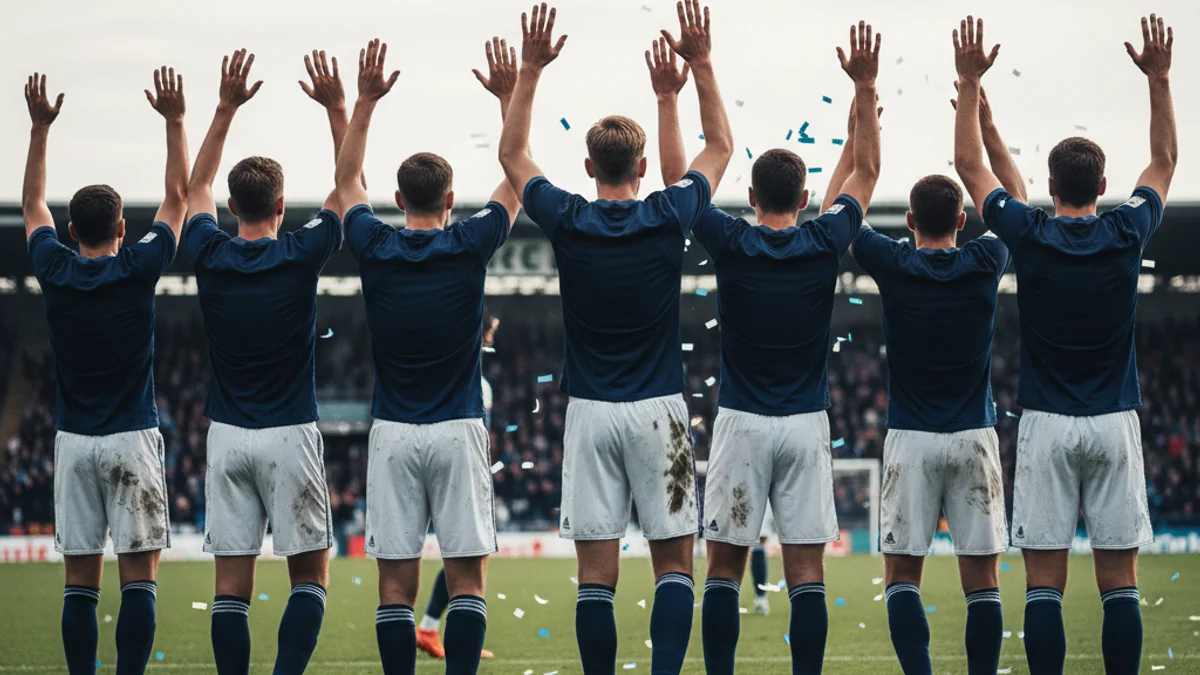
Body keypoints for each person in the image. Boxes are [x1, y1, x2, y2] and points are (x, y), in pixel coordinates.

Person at [498, 3, 734, 672]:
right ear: (641, 165)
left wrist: (530, 68)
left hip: (591, 412)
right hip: (659, 408)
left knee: (595, 579)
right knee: (673, 568)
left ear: (588, 164)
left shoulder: (567, 218)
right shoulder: (669, 213)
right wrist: (688, 77)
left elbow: (512, 154)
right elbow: (719, 148)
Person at [952, 14, 1176, 675]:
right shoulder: (1128, 229)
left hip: (1047, 422)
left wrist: (968, 84)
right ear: (1103, 186)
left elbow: (969, 165)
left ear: (1049, 188)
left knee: (1044, 582)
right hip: (1113, 421)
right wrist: (1159, 79)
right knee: (1120, 581)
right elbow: (1163, 160)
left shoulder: (1028, 232)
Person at [655, 21, 882, 674]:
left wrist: (698, 67)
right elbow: (864, 169)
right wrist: (863, 94)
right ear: (807, 199)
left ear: (751, 198)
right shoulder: (823, 241)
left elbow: (680, 177)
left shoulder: (733, 239)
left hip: (742, 421)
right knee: (806, 570)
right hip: (807, 421)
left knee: (724, 567)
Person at [335, 36, 519, 675]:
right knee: (467, 581)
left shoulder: (372, 244)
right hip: (459, 428)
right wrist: (508, 96)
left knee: (395, 589)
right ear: (448, 201)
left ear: (397, 197)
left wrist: (360, 103)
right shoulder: (469, 244)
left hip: (392, 431)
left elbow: (345, 182)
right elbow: (518, 178)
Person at [853, 75, 1026, 673]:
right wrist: (984, 119)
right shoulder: (986, 258)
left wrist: (862, 120)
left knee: (902, 577)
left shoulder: (894, 262)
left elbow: (834, 217)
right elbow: (1016, 200)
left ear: (908, 219)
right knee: (982, 583)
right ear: (964, 217)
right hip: (974, 435)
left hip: (911, 437)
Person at [23, 66, 188, 675]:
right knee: (140, 579)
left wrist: (39, 130)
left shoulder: (53, 267)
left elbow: (31, 203)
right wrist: (174, 121)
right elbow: (176, 200)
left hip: (74, 440)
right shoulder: (138, 266)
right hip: (132, 437)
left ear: (70, 232)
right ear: (123, 228)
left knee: (79, 582)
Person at [187, 49, 343, 675]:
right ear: (281, 208)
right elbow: (349, 189)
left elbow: (192, 187)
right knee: (310, 578)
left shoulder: (208, 251)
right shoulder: (301, 253)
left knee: (231, 588)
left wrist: (223, 109)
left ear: (231, 208)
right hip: (290, 432)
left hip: (226, 435)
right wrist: (338, 109)